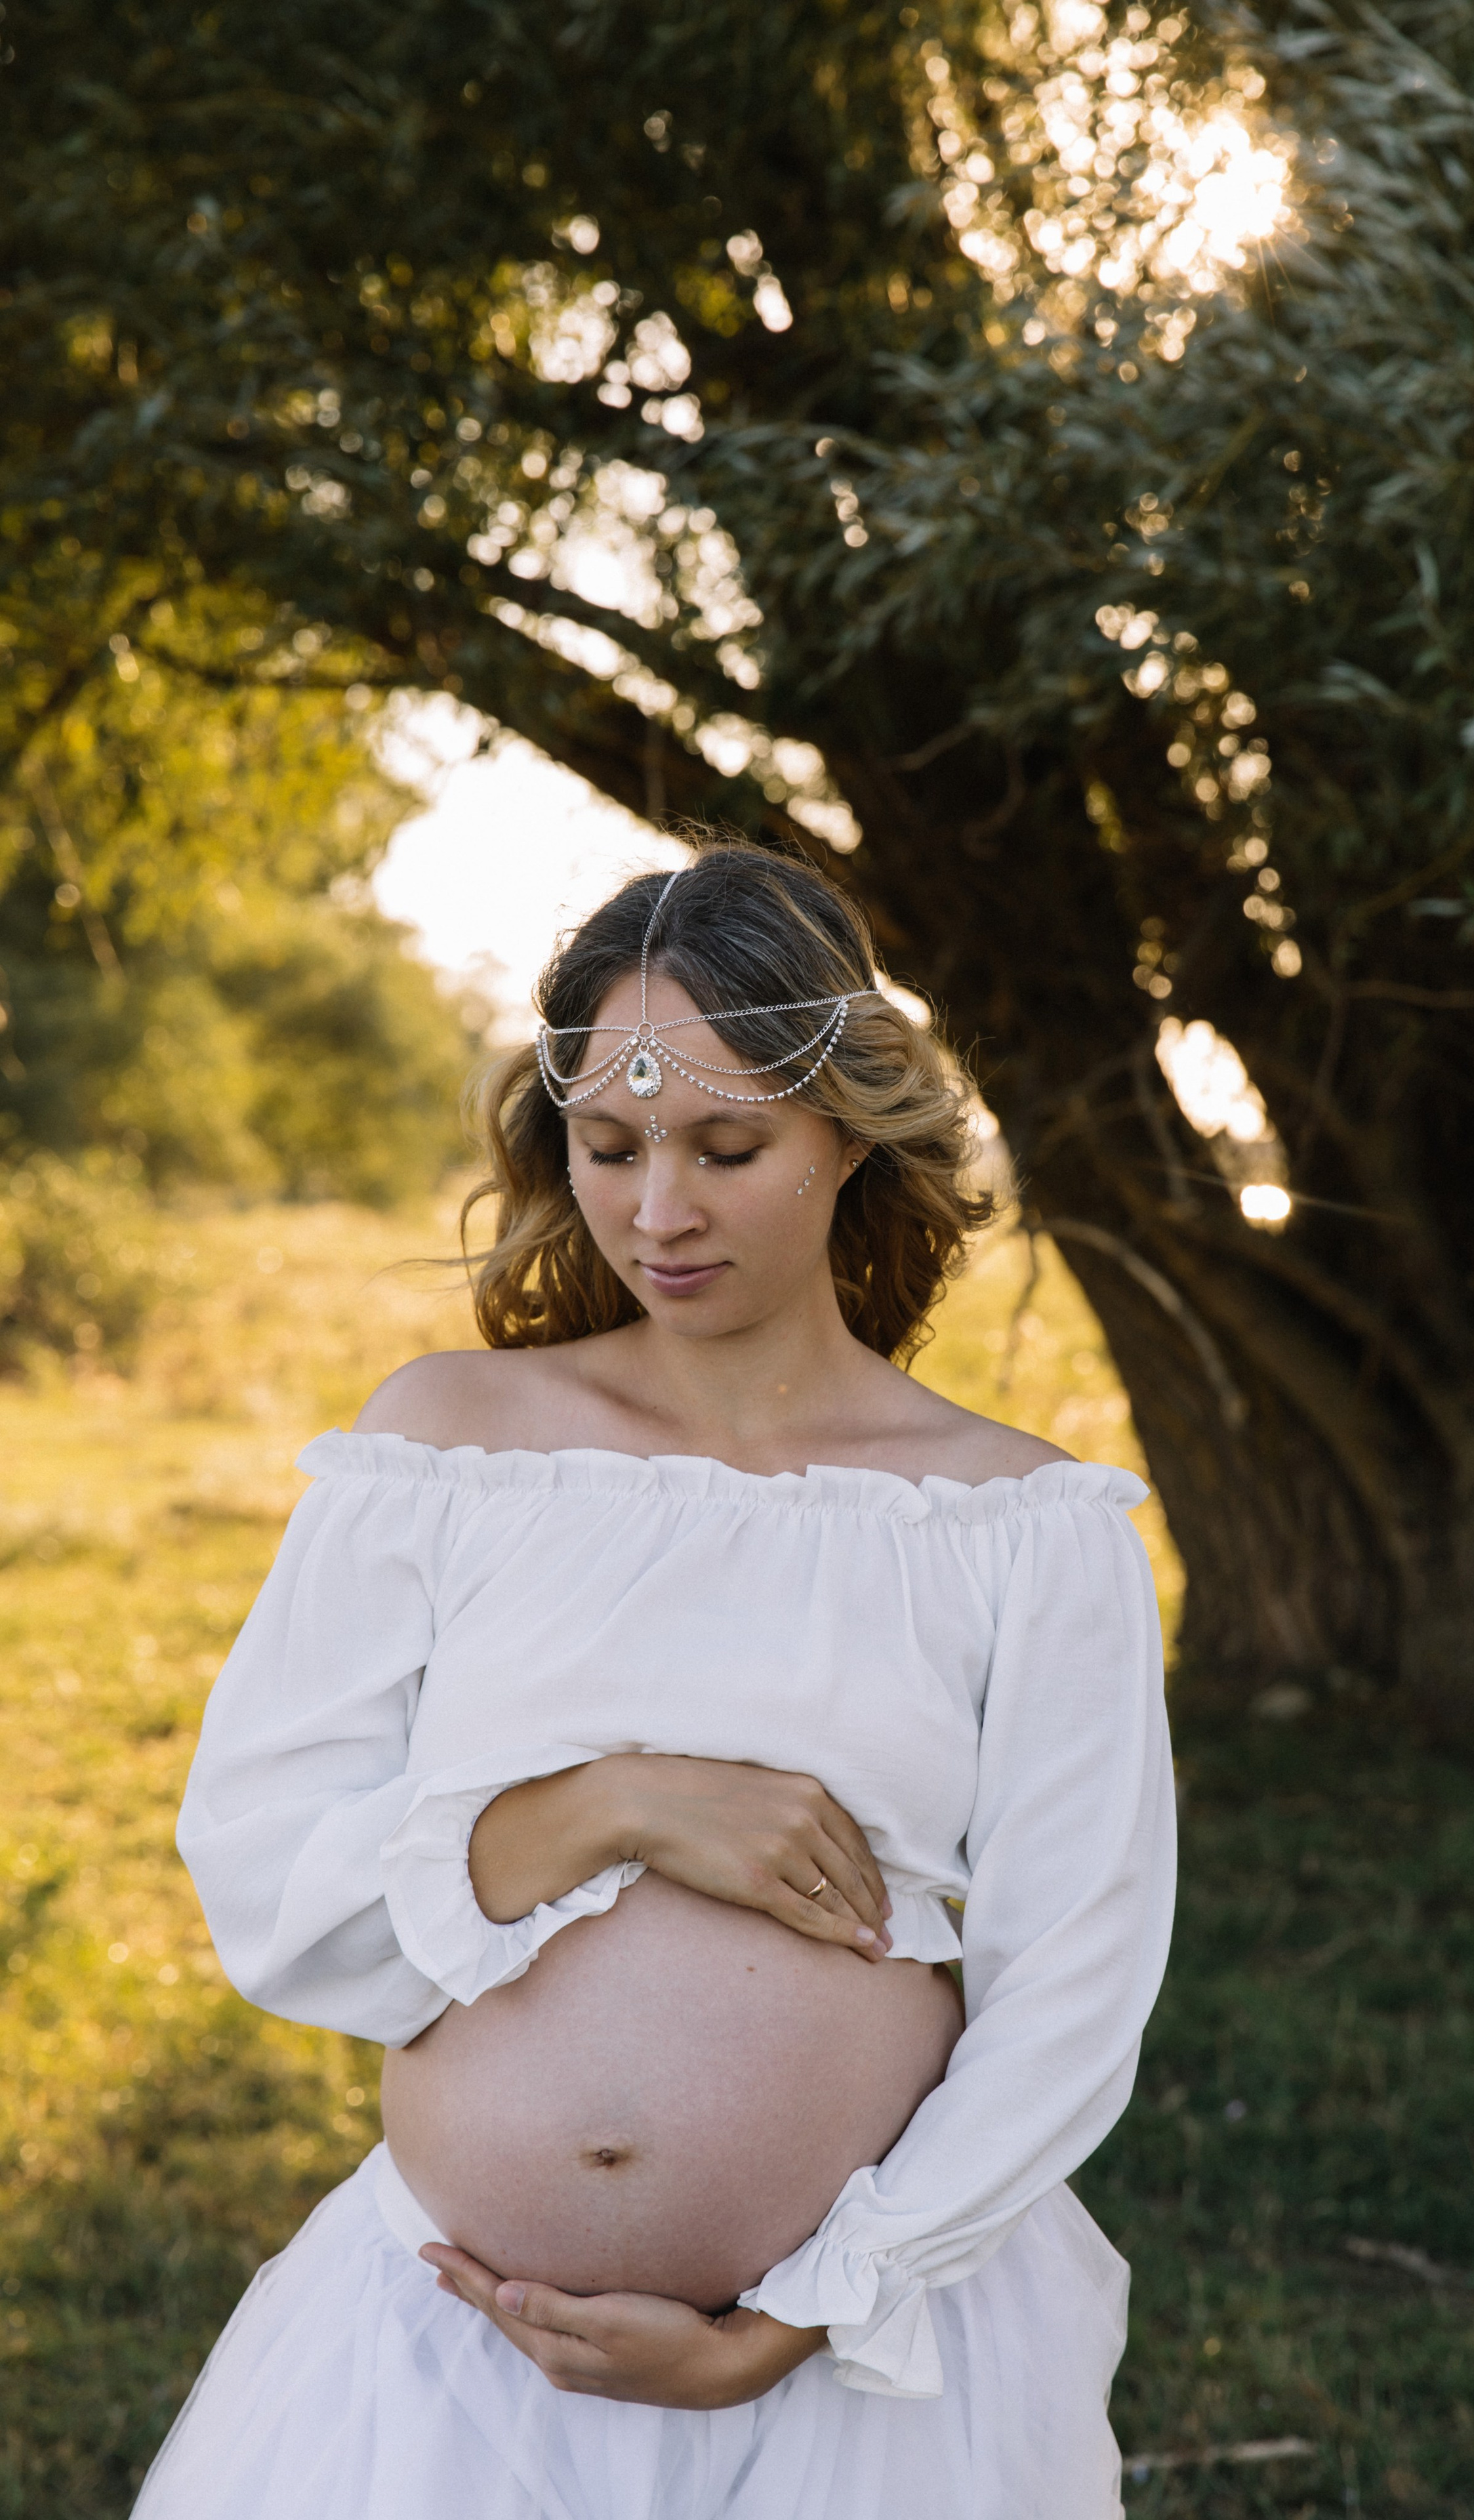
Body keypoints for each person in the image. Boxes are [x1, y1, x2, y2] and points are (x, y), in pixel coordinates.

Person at [134, 843, 1176, 2520]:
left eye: (725, 1148)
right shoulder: (451, 1453)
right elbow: (264, 1863)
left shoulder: (1015, 1529)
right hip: (448, 2371)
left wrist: (799, 2316)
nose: (658, 1213)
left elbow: (1074, 1985)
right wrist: (606, 1808)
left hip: (867, 2383)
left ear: (844, 1132)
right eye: (610, 1150)